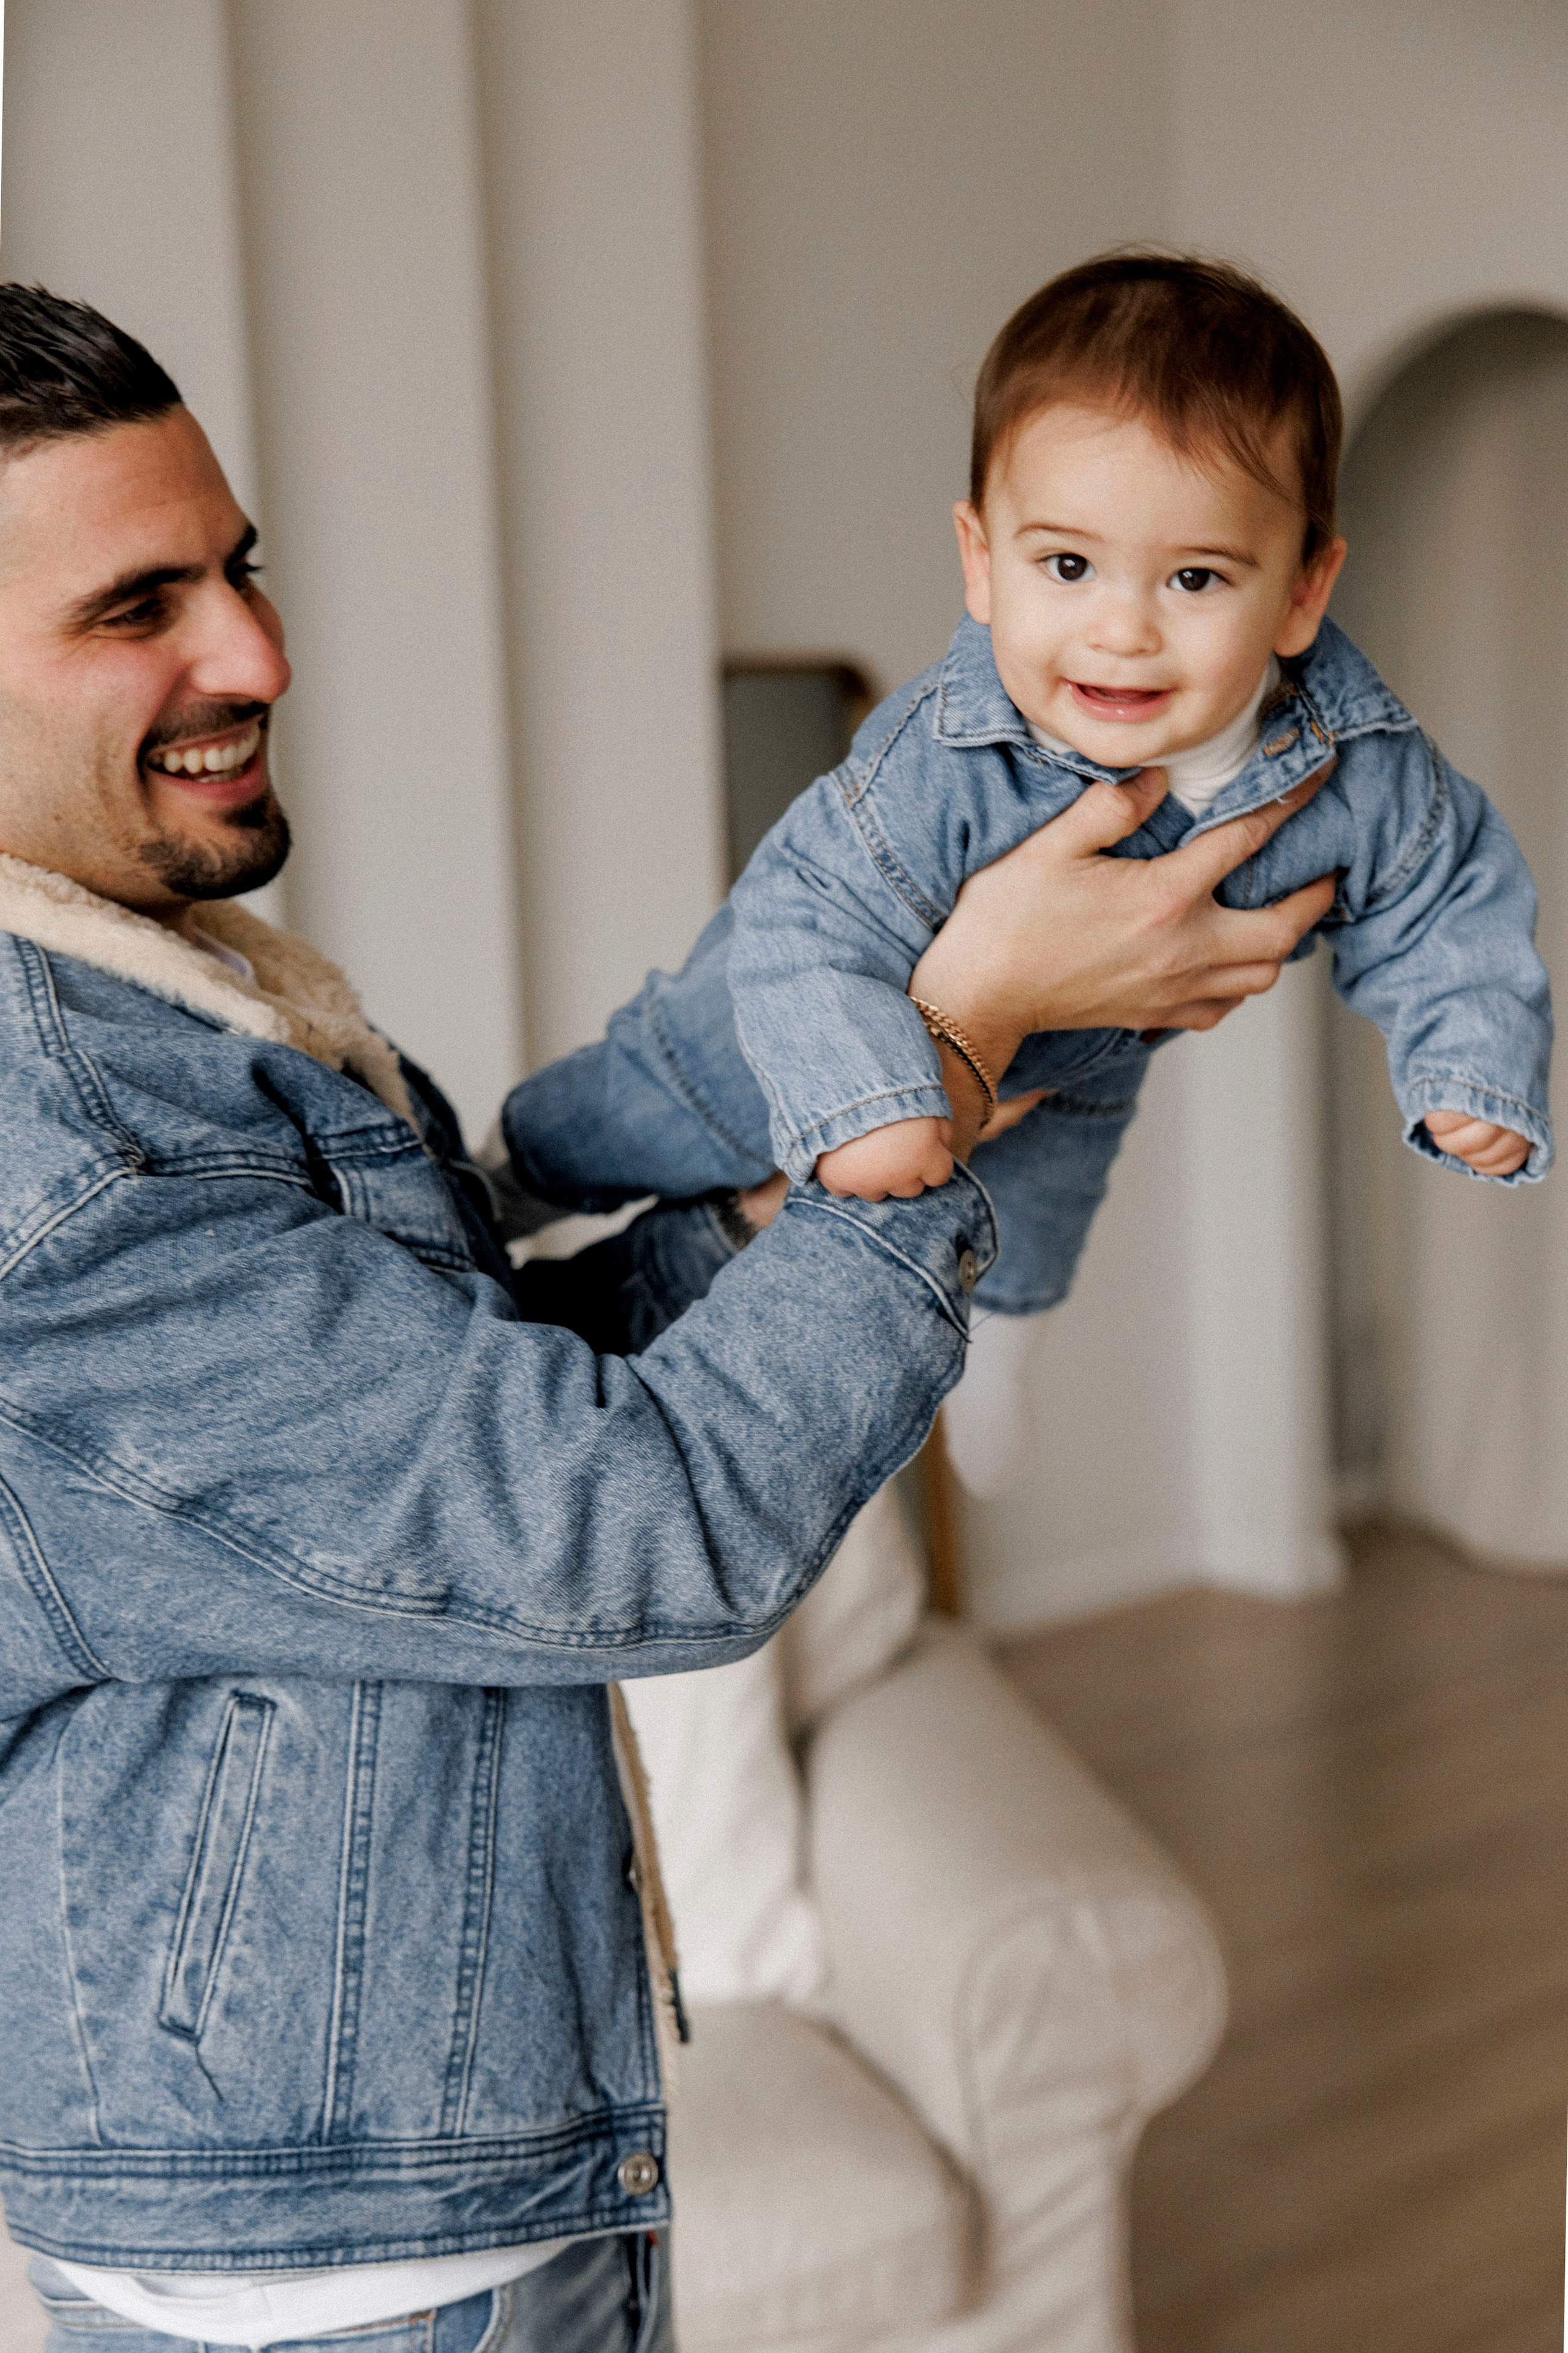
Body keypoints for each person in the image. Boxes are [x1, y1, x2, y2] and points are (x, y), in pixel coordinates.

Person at [0, 282, 1331, 2353]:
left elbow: (480, 1421)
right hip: (348, 2267)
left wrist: (776, 1209)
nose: (255, 655)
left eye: (240, 570)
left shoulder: (161, 1007)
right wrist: (954, 1046)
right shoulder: (57, 1163)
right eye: (134, 606)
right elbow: (635, 1535)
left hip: (476, 2149)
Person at [503, 254, 1551, 1488]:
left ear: (1301, 589)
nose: (1121, 628)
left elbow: (1449, 893)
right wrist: (871, 1102)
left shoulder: (1355, 767)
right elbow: (804, 921)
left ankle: (1002, 1340)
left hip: (1079, 1059)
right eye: (1066, 566)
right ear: (979, 558)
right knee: (637, 1107)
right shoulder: (943, 756)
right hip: (755, 1034)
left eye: (1194, 578)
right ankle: (509, 1172)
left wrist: (1466, 1059)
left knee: (1043, 1195)